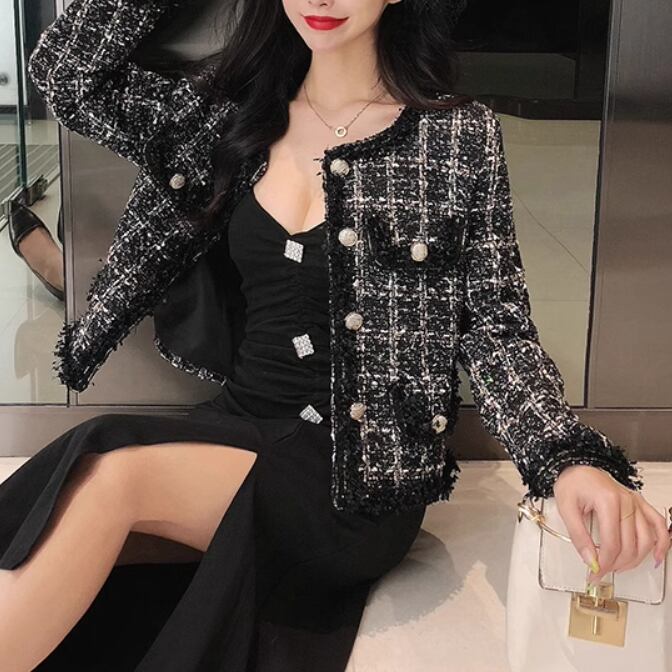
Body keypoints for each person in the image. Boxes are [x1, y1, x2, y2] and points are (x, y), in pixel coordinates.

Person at [0, 1, 669, 671]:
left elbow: (496, 327)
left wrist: (568, 458)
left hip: (353, 482)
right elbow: (67, 72)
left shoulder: (453, 138)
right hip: (238, 424)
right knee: (79, 480)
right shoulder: (229, 116)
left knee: (115, 482)